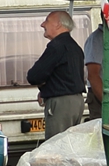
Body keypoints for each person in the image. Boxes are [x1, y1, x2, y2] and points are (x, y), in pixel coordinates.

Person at [25, 8, 86, 137]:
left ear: (58, 24)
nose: (42, 24)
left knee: (56, 147)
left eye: (47, 20)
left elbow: (34, 76)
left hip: (61, 103)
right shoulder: (75, 47)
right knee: (70, 144)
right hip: (77, 101)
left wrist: (43, 86)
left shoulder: (57, 46)